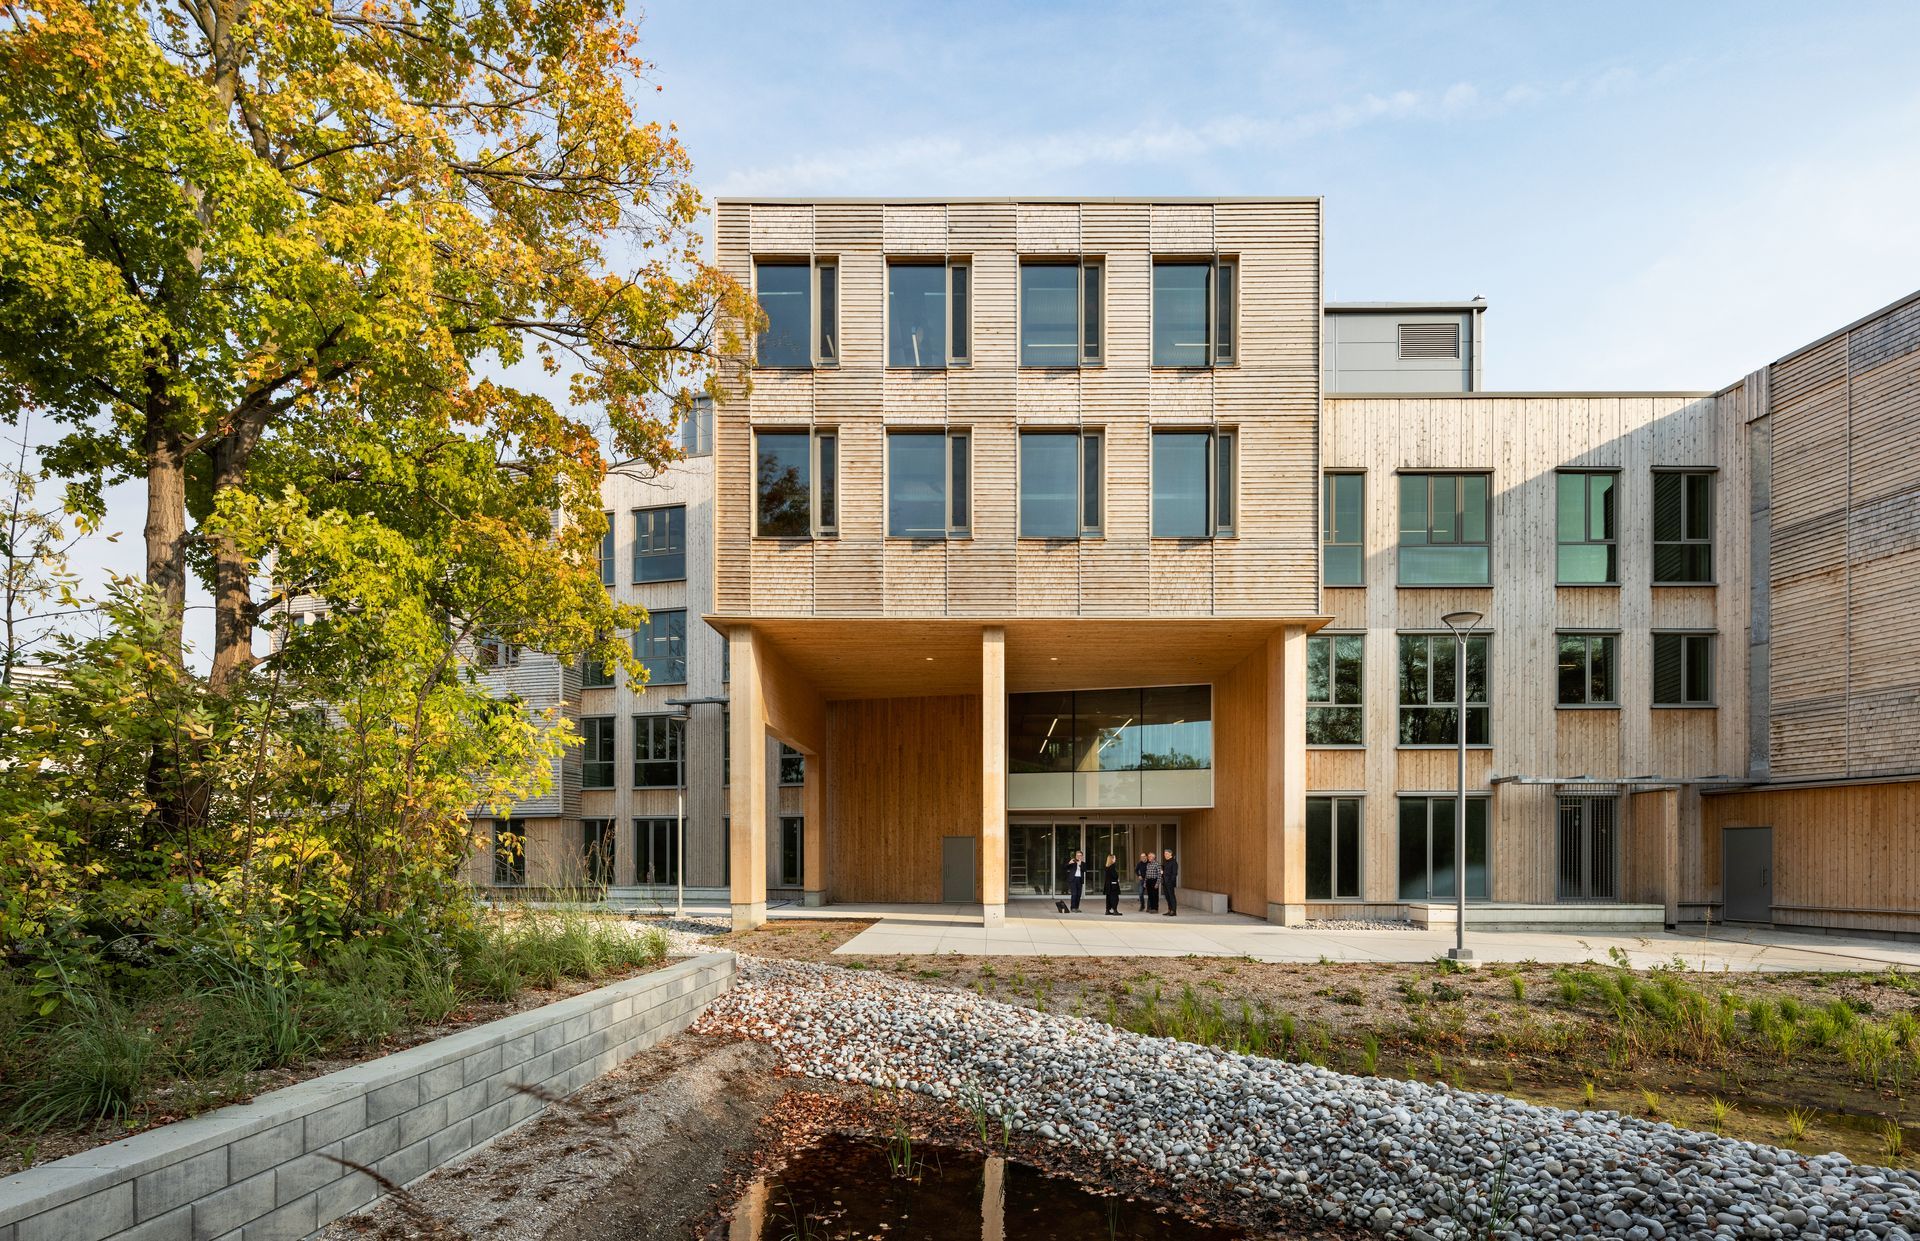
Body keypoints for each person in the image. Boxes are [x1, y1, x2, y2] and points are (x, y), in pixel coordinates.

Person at [1161, 848, 1180, 917]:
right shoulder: (1166, 862)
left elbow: (1174, 873)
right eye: (1164, 854)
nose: (1164, 855)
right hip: (1165, 882)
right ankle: (1169, 910)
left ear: (1170, 854)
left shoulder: (1174, 862)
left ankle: (1173, 911)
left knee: (1172, 897)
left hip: (1170, 883)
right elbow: (1163, 871)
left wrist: (1171, 882)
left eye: (1166, 854)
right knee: (1167, 897)